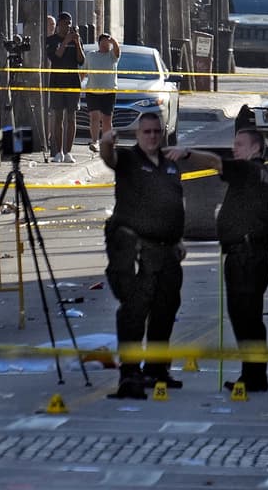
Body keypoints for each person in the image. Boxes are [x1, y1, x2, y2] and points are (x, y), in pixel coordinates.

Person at [169, 128, 268, 395]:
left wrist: (187, 153)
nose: (234, 149)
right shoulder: (260, 175)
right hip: (249, 254)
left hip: (246, 256)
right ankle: (254, 375)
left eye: (240, 145)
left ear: (256, 149)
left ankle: (253, 377)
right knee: (248, 318)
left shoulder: (250, 170)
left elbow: (216, 163)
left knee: (245, 318)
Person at [100, 110, 186, 399]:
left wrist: (179, 239)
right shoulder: (128, 160)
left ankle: (157, 369)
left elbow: (174, 203)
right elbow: (108, 158)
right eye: (146, 132)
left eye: (156, 132)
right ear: (137, 134)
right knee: (134, 313)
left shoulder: (170, 164)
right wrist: (107, 142)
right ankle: (130, 374)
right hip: (134, 251)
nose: (151, 137)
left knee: (165, 311)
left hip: (167, 251)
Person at [45, 13, 86, 162]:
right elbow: (56, 57)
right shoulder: (51, 40)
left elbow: (81, 61)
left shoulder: (76, 39)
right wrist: (65, 41)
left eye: (70, 23)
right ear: (59, 24)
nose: (68, 26)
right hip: (57, 83)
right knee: (58, 118)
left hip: (73, 83)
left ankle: (69, 152)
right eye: (65, 23)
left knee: (71, 117)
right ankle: (58, 152)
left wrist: (76, 43)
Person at [84, 31, 121, 149]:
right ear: (99, 43)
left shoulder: (112, 56)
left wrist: (113, 41)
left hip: (108, 92)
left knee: (106, 119)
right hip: (92, 91)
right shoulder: (91, 55)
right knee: (94, 117)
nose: (106, 45)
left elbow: (117, 51)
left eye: (108, 42)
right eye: (104, 42)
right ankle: (94, 141)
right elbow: (83, 71)